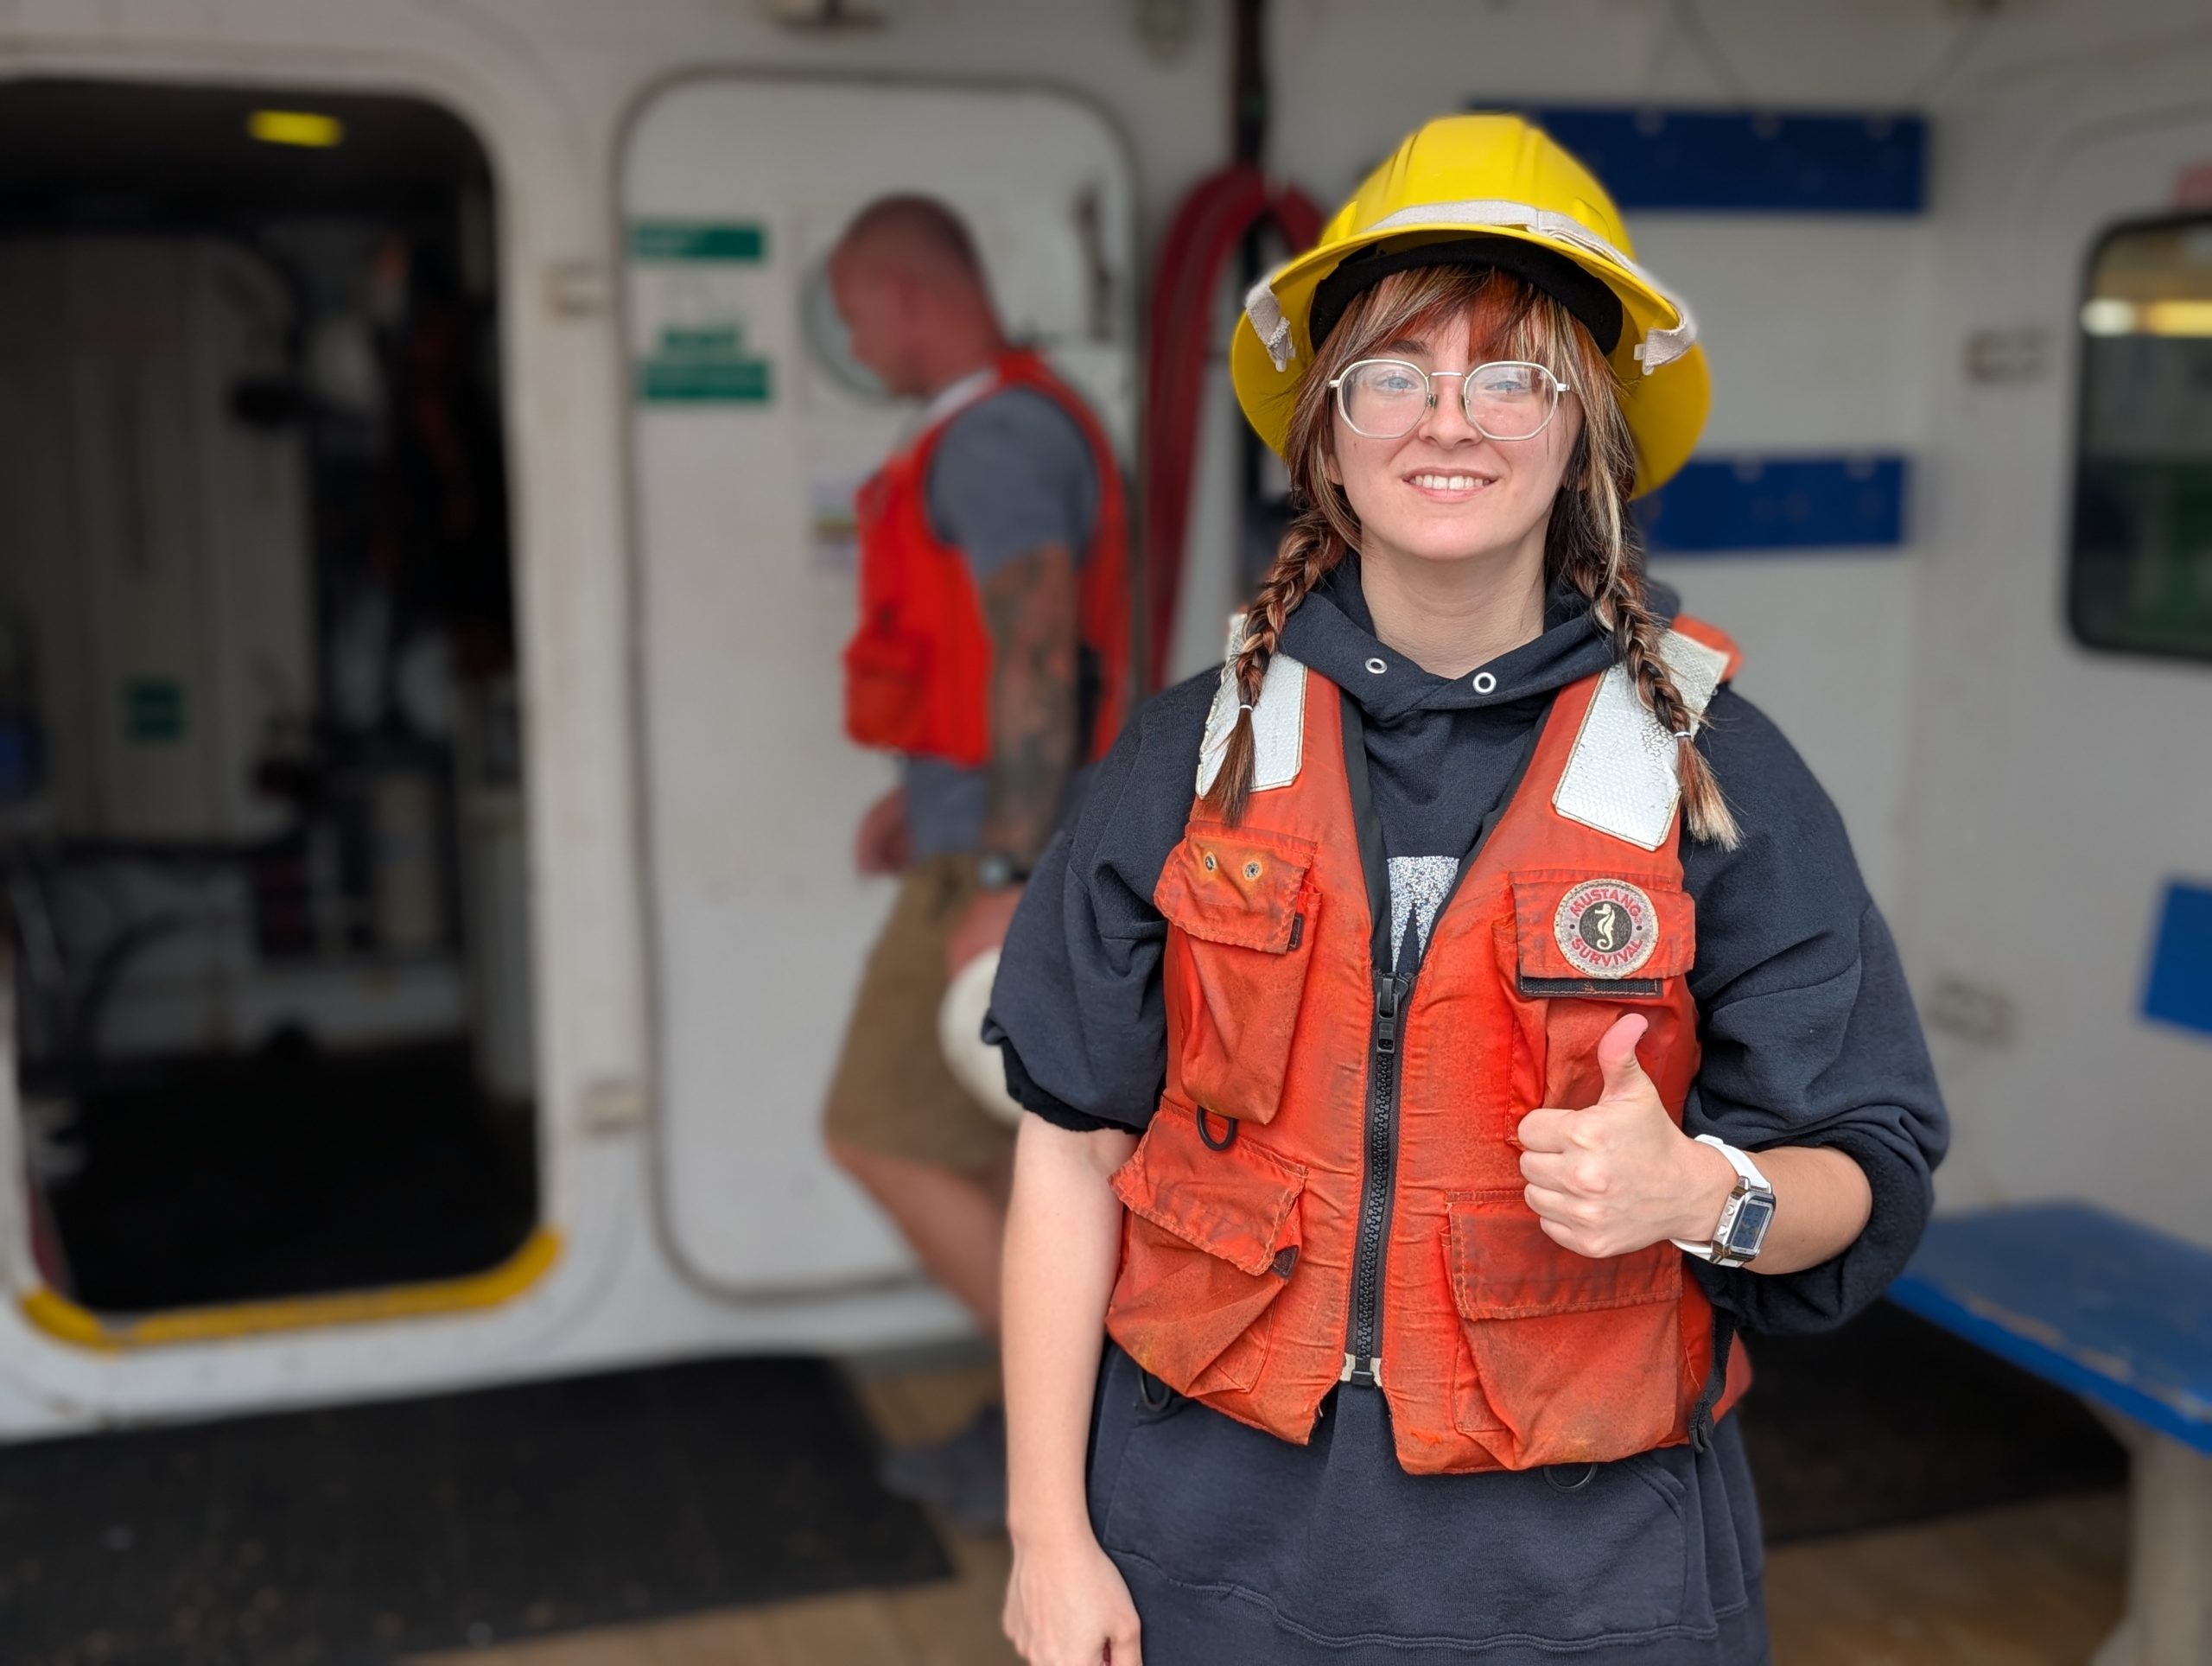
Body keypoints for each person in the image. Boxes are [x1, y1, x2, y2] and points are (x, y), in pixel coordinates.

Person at [987, 115, 1948, 1663]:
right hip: (1201, 1566)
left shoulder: (1718, 778)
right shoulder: (1188, 757)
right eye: (1392, 373)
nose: (1451, 419)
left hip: (1591, 1591)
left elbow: (1868, 1168)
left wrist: (1707, 1194)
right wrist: (1048, 1537)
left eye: (1514, 375)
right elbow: (1064, 1153)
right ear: (1325, 426)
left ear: (1589, 431)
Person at [821, 195, 1130, 1530]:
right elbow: (983, 667)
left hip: (1004, 869)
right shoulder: (993, 422)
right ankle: (1057, 1422)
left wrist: (1007, 868)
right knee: (1023, 1165)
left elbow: (1039, 649)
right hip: (977, 842)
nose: (855, 343)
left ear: (899, 296)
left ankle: (1104, 1396)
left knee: (876, 1129)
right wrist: (928, 801)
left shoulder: (995, 441)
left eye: (850, 317)